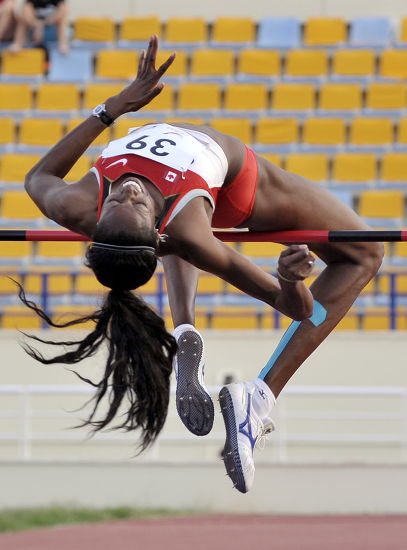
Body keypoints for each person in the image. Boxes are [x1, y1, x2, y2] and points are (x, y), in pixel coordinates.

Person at [20, 36, 383, 491]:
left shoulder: (74, 205)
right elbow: (294, 307)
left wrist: (110, 110)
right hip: (240, 186)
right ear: (156, 228)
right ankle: (258, 398)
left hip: (179, 215)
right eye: (132, 204)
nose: (128, 190)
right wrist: (291, 279)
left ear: (95, 218)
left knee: (181, 242)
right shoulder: (188, 229)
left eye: (116, 198)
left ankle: (186, 329)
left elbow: (37, 177)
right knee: (366, 252)